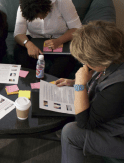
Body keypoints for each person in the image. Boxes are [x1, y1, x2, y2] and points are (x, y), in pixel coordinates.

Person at [55, 21, 124, 163]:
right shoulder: (115, 56)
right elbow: (101, 76)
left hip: (120, 137)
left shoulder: (119, 87)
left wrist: (80, 85)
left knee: (71, 133)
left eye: (86, 62)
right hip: (113, 118)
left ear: (101, 60)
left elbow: (84, 122)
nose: (85, 65)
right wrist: (73, 82)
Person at [14, 0, 82, 78]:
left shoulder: (63, 2)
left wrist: (59, 40)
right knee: (19, 50)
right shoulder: (24, 7)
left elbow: (77, 28)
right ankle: (30, 83)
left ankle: (51, 84)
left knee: (65, 62)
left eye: (41, 15)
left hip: (61, 41)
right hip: (34, 40)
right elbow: (18, 33)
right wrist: (28, 44)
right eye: (36, 16)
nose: (40, 18)